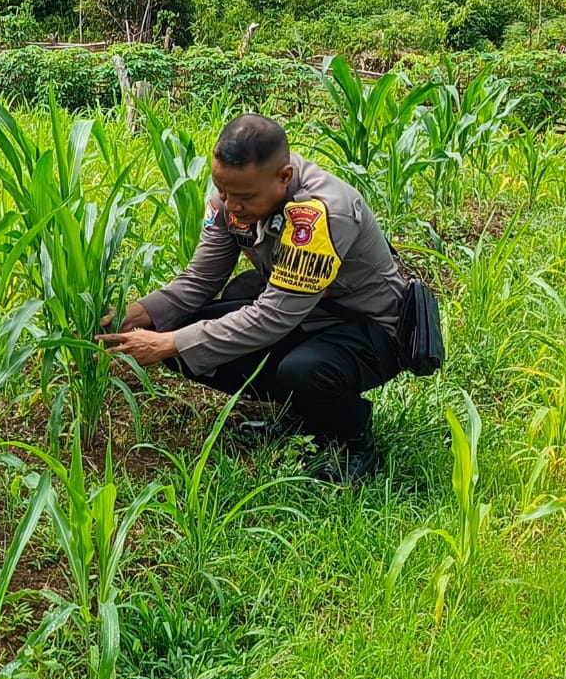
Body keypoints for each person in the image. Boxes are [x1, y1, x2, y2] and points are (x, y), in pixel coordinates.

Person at [97, 114, 405, 483]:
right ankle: (303, 414)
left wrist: (169, 343)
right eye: (222, 191)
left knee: (301, 370)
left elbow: (273, 317)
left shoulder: (322, 213)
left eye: (244, 197)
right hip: (306, 313)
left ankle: (354, 442)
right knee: (183, 328)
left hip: (369, 326)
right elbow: (200, 279)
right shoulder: (234, 192)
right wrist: (134, 315)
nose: (231, 205)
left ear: (284, 177)